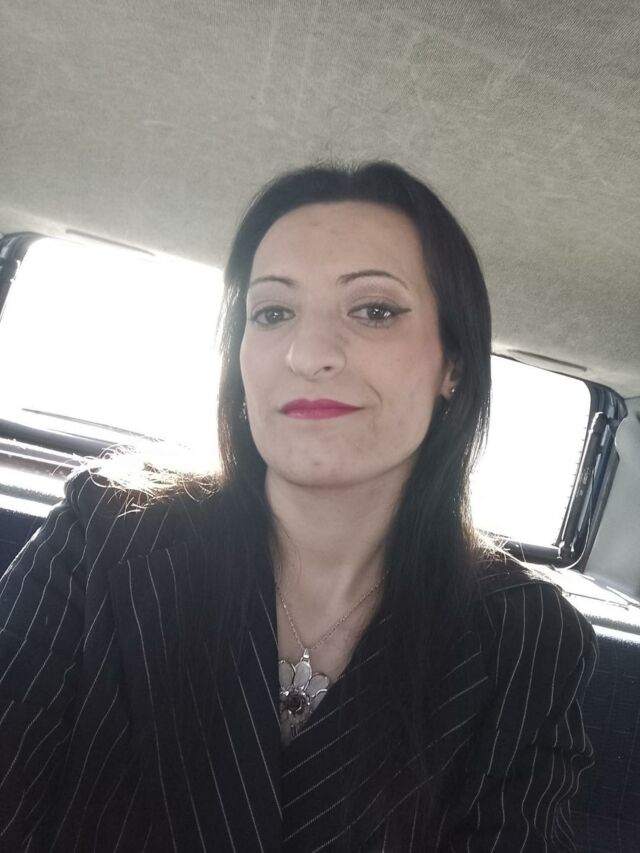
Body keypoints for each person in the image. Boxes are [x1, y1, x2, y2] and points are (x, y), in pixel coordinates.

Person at [0, 162, 596, 852]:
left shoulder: (527, 638)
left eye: (375, 310)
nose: (308, 354)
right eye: (273, 312)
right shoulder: (102, 536)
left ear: (453, 365)